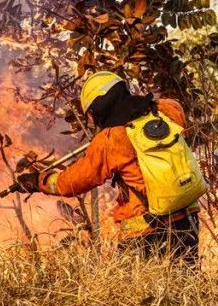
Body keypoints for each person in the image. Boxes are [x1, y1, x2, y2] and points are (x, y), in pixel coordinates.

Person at [17, 71, 204, 264]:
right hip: (188, 219)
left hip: (145, 230)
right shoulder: (164, 111)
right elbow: (175, 109)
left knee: (133, 292)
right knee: (184, 284)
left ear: (97, 109)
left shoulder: (110, 139)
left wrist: (39, 181)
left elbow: (72, 183)